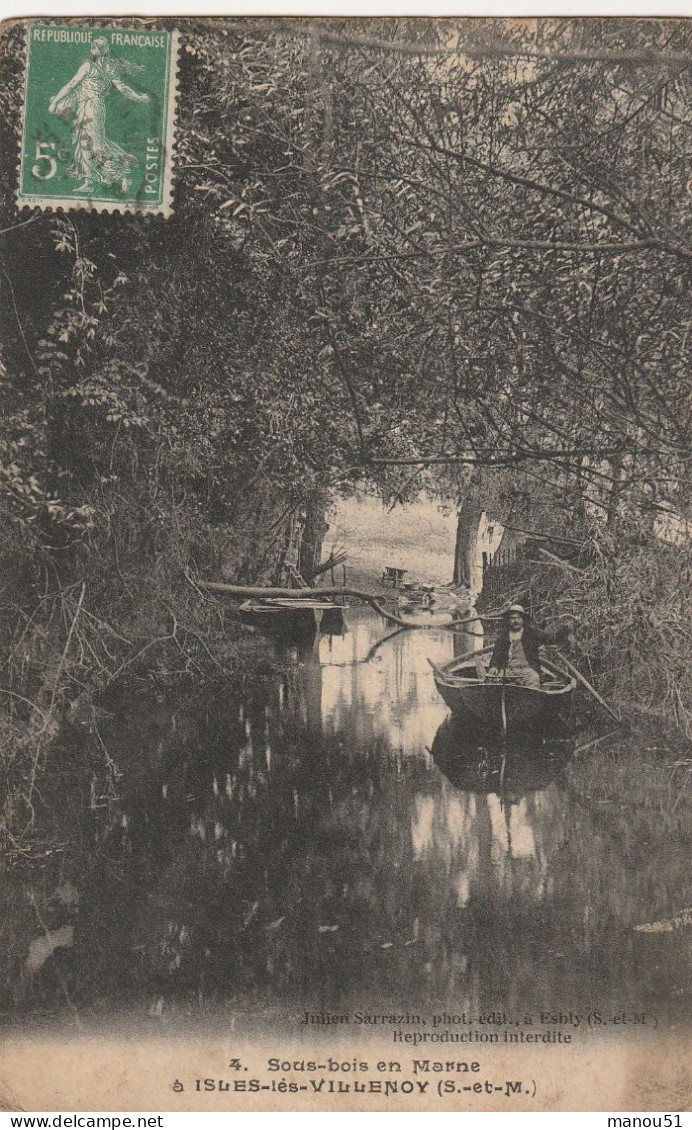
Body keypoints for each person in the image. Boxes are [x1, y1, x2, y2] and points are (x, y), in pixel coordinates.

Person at [48, 37, 149, 194]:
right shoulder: (108, 68)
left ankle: (122, 174)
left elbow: (71, 84)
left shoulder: (88, 66)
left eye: (94, 47)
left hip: (91, 107)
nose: (91, 49)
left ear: (100, 50)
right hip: (92, 106)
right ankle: (89, 181)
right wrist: (140, 98)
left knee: (94, 143)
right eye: (92, 46)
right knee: (88, 141)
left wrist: (54, 103)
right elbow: (123, 89)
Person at [487, 604, 556, 690]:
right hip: (508, 670)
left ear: (523, 619)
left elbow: (550, 639)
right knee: (493, 684)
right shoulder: (503, 637)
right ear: (508, 620)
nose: (516, 621)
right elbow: (496, 655)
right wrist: (494, 666)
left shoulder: (531, 633)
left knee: (534, 682)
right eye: (512, 618)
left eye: (518, 618)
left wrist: (545, 649)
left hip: (527, 670)